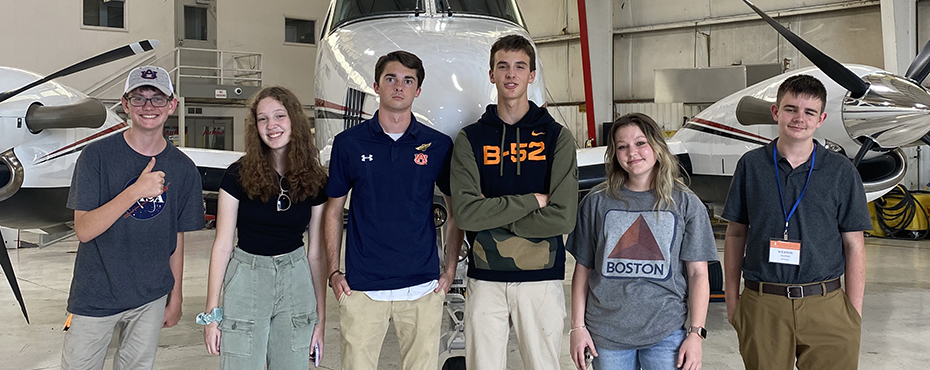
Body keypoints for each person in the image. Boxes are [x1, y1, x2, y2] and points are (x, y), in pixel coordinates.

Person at [323, 50, 463, 370]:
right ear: (376, 86)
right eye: (391, 79)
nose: (398, 86)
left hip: (423, 289)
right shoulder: (349, 144)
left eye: (407, 80)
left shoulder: (438, 145)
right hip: (362, 289)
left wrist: (450, 270)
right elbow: (333, 211)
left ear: (417, 90)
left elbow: (456, 213)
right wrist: (333, 271)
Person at [722, 74, 870, 370]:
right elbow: (736, 234)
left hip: (826, 303)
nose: (799, 118)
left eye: (809, 112)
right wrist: (732, 301)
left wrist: (853, 314)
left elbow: (854, 244)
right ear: (776, 112)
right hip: (763, 303)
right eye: (791, 109)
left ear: (821, 118)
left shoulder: (841, 171)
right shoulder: (751, 166)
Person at [61, 66, 204, 369]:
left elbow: (175, 238)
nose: (148, 107)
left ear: (172, 105)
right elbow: (84, 230)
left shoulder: (184, 168)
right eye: (138, 98)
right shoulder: (95, 157)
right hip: (95, 295)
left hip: (150, 297)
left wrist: (175, 296)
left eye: (157, 99)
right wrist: (135, 192)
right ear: (125, 104)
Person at [450, 34, 578, 370]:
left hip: (542, 278)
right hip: (484, 276)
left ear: (531, 75)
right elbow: (465, 214)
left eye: (520, 66)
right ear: (491, 74)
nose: (511, 74)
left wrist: (490, 213)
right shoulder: (471, 139)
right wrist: (533, 201)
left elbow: (564, 218)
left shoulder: (556, 137)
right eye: (502, 66)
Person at [566, 113, 717, 370]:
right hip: (607, 334)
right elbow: (583, 269)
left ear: (657, 146)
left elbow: (698, 273)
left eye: (640, 143)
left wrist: (695, 334)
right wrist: (577, 328)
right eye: (622, 146)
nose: (631, 153)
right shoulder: (596, 201)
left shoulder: (686, 203)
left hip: (666, 332)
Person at [199, 86, 328, 369]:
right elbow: (222, 244)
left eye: (279, 116)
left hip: (296, 277)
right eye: (263, 119)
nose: (272, 126)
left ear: (294, 119)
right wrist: (212, 313)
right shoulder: (237, 176)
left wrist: (320, 318)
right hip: (247, 276)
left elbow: (316, 254)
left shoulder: (315, 180)